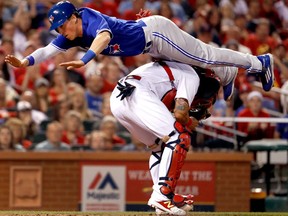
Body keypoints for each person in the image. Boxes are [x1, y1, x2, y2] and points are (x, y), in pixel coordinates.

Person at [4, 1, 274, 101]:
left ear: (73, 17)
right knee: (195, 66)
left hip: (156, 34)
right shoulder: (70, 34)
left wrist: (85, 60)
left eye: (63, 25)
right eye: (59, 28)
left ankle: (259, 62)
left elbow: (104, 36)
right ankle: (226, 74)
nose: (61, 32)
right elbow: (45, 51)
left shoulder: (88, 17)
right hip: (150, 44)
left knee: (205, 55)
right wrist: (24, 62)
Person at [110, 60, 218, 215]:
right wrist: (189, 121)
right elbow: (180, 114)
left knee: (160, 146)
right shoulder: (192, 75)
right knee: (180, 137)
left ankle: (163, 199)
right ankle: (162, 196)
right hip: (137, 92)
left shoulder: (177, 73)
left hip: (120, 100)